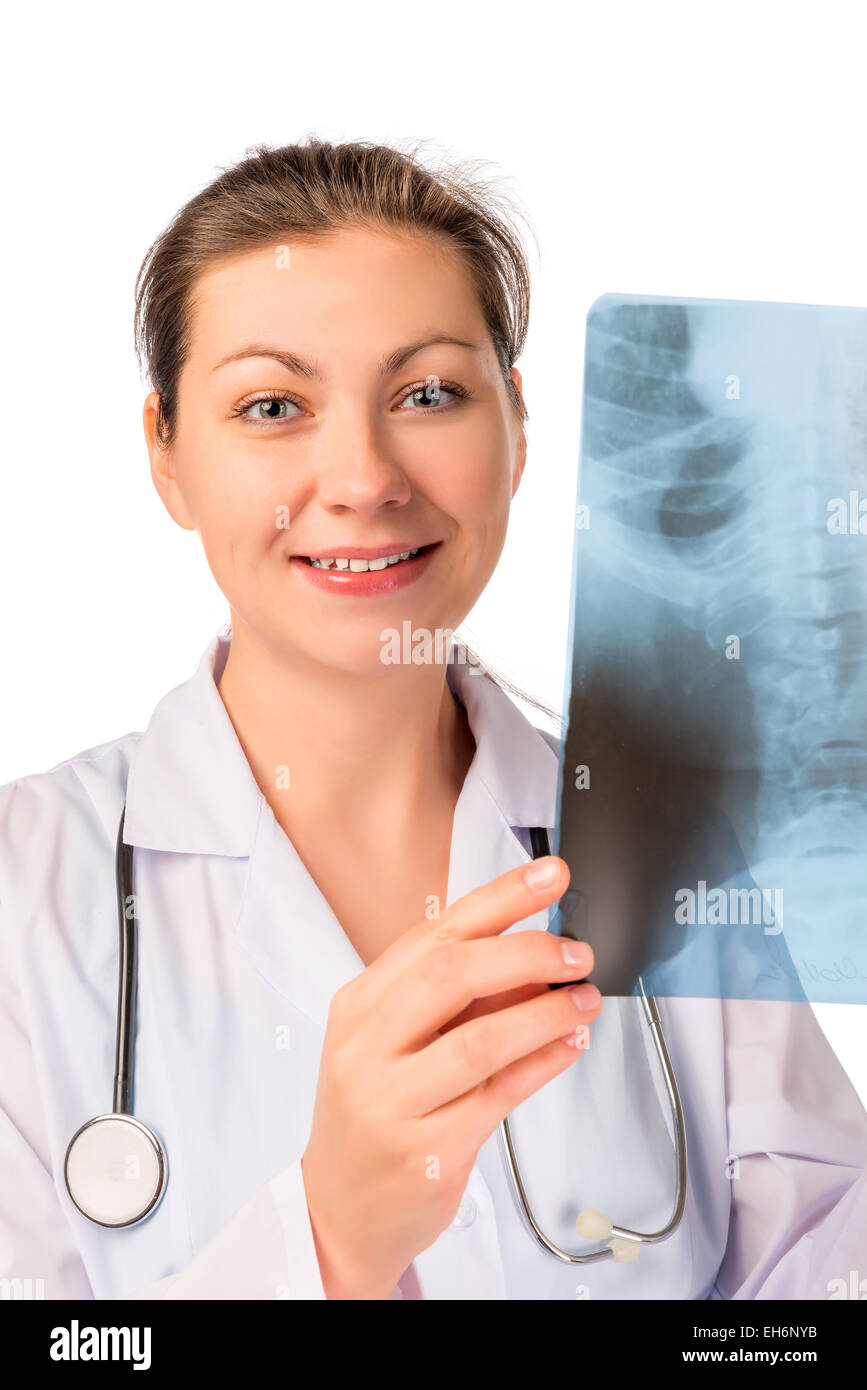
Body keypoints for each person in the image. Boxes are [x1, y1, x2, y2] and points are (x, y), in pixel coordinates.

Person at [1, 138, 865, 1302]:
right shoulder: (26, 890)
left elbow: (817, 1269)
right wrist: (324, 1242)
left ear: (514, 424)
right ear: (166, 453)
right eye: (271, 405)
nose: (362, 477)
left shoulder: (675, 847)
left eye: (427, 393)